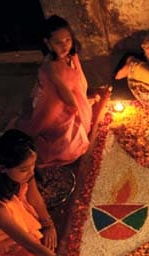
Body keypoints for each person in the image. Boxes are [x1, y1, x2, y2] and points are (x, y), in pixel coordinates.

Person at [16, 15, 93, 167]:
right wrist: (75, 108)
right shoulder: (50, 66)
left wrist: (81, 101)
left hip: (71, 101)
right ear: (48, 43)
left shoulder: (71, 55)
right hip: (58, 108)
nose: (64, 46)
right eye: (58, 42)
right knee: (68, 147)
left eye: (68, 40)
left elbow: (79, 81)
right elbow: (63, 91)